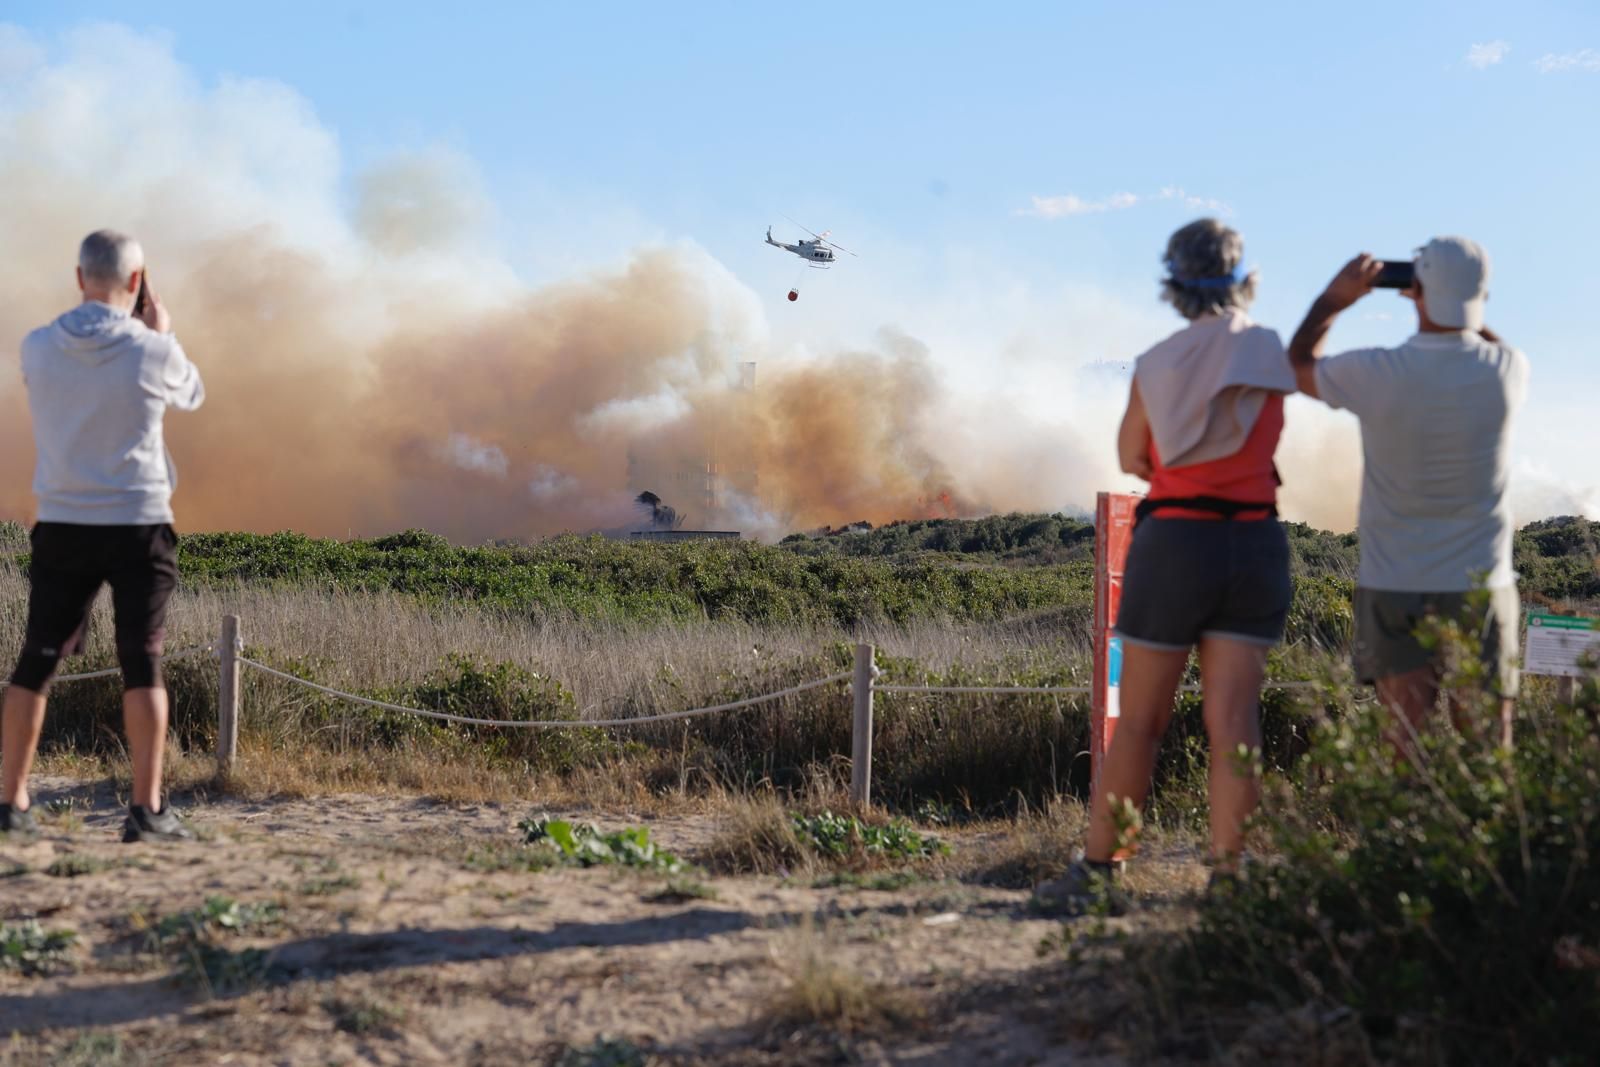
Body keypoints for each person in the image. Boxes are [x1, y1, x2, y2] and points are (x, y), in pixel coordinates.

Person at [1035, 219, 1296, 914]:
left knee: (1142, 721)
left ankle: (1100, 871)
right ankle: (1230, 880)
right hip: (1253, 540)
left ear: (1173, 283)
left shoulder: (1154, 362)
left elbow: (1132, 457)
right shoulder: (1268, 348)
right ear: (1243, 277)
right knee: (1235, 721)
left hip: (1175, 541)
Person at [0, 229, 204, 840]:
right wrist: (161, 332)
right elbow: (191, 394)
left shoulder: (37, 346)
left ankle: (11, 804)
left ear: (78, 277)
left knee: (35, 665)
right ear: (138, 283)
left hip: (62, 521)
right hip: (138, 520)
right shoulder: (153, 350)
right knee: (143, 664)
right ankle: (146, 811)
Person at [1286, 239, 1527, 752]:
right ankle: (1498, 834)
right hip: (1482, 583)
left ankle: (1399, 833)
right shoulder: (1507, 372)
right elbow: (1492, 344)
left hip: (1394, 581)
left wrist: (1334, 299)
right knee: (1488, 744)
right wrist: (1460, 309)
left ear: (1413, 289)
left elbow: (1298, 365)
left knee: (1404, 741)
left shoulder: (1376, 371)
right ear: (1481, 296)